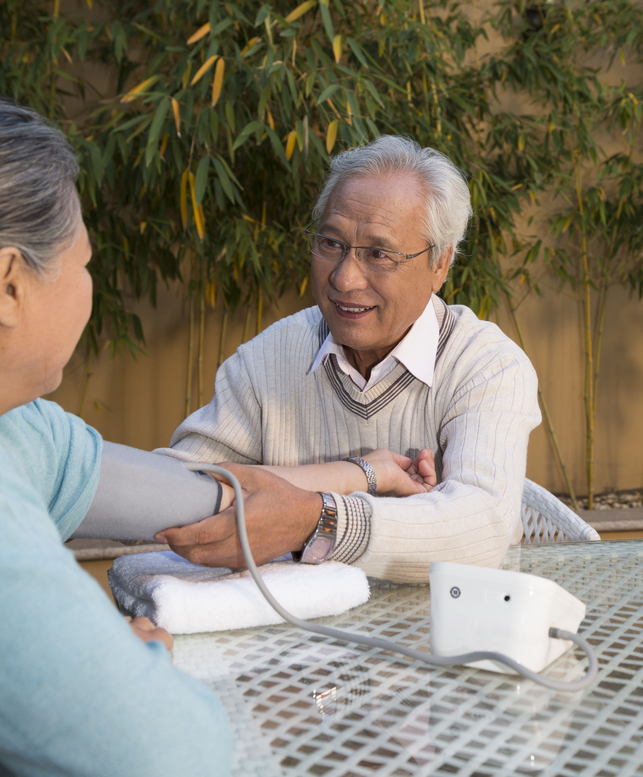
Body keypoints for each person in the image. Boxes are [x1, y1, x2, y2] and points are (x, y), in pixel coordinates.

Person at [154, 136, 542, 582]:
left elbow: (480, 527)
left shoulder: (485, 365)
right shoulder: (271, 357)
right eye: (331, 244)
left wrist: (316, 520)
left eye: (378, 254)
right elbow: (177, 491)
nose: (344, 277)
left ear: (440, 264)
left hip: (445, 630)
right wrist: (358, 475)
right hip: (300, 639)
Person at [0, 101, 234, 777]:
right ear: (10, 286)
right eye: (83, 263)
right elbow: (179, 751)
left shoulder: (15, 424)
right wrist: (141, 659)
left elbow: (153, 489)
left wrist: (353, 482)